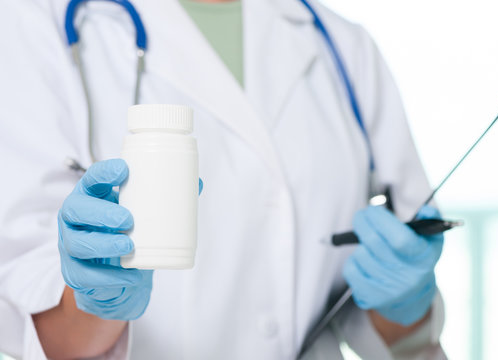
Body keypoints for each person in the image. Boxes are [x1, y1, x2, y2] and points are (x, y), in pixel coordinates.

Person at [0, 0, 446, 359]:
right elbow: (39, 327)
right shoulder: (35, 22)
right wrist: (93, 300)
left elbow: (400, 337)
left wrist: (403, 303)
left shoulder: (343, 46)